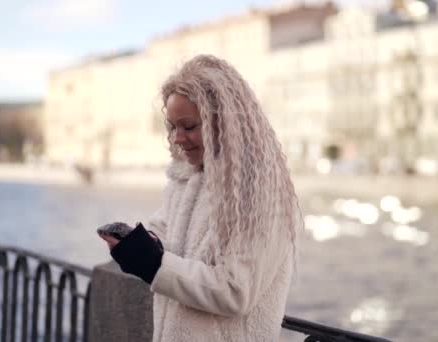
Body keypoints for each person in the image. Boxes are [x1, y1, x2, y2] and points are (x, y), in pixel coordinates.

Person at [99, 54, 303, 341]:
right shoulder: (184, 179)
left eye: (189, 126)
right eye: (172, 127)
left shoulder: (264, 194)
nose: (178, 139)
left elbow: (236, 292)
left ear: (226, 122)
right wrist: (137, 245)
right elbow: (169, 243)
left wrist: (152, 263)